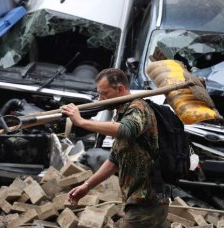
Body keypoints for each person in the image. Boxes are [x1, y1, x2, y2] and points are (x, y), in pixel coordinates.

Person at [61, 68, 169, 228]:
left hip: (147, 200)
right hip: (139, 200)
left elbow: (127, 129)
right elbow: (114, 160)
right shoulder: (122, 113)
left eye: (104, 94)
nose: (100, 99)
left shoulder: (138, 107)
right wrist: (87, 185)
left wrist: (81, 122)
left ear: (120, 89)